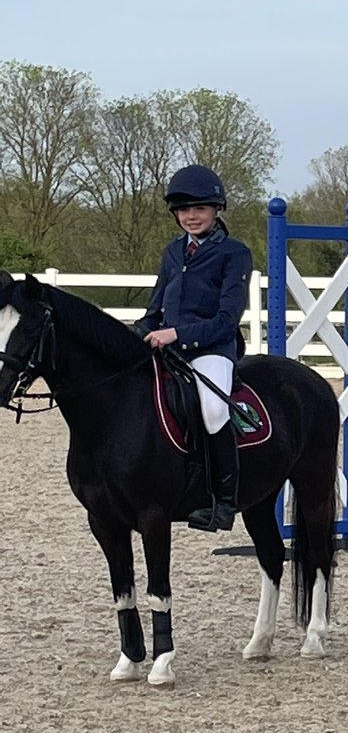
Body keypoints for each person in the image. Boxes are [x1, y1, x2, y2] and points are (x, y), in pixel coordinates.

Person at [133, 164, 252, 532]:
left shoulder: (234, 253)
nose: (191, 216)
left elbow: (226, 319)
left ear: (216, 210)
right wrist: (135, 333)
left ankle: (223, 501)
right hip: (169, 350)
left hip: (212, 348)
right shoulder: (172, 253)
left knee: (214, 410)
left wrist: (177, 335)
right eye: (184, 210)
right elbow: (155, 309)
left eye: (199, 208)